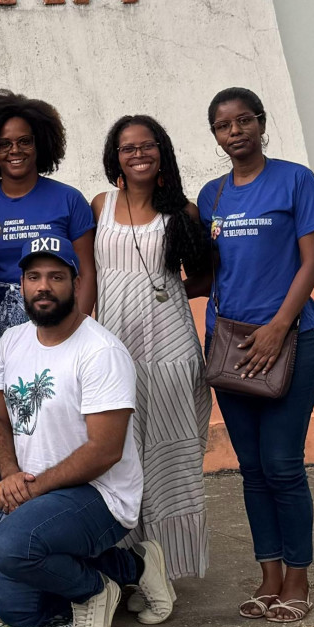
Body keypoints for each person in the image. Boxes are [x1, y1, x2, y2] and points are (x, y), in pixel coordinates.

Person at [0, 238, 175, 627]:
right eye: (33, 277)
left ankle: (95, 591)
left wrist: (33, 488)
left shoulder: (100, 351)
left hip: (101, 493)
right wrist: (10, 474)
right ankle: (133, 565)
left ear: (76, 282)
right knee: (20, 613)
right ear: (22, 285)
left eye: (56, 276)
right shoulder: (12, 341)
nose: (44, 287)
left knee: (11, 548)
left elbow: (105, 451)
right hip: (39, 491)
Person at [202, 87, 314, 625]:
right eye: (223, 126)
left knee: (282, 464)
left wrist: (280, 327)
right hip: (230, 347)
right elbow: (209, 273)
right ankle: (269, 575)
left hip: (288, 341)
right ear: (215, 136)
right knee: (252, 469)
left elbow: (312, 262)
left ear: (260, 123)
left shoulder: (295, 180)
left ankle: (298, 577)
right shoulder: (210, 195)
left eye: (243, 120)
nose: (235, 132)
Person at [0, 90, 96, 611]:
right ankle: (8, 569)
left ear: (42, 144)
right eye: (3, 144)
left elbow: (85, 276)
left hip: (54, 324)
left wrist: (76, 333)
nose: (14, 151)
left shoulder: (68, 200)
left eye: (24, 141)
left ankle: (64, 562)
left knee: (57, 441)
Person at [92, 116, 214, 598]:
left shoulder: (182, 211)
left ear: (161, 151)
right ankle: (125, 569)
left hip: (169, 350)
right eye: (127, 148)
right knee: (116, 460)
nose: (138, 154)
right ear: (114, 156)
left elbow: (204, 278)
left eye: (147, 146)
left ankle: (169, 568)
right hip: (113, 350)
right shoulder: (100, 205)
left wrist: (163, 291)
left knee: (168, 458)